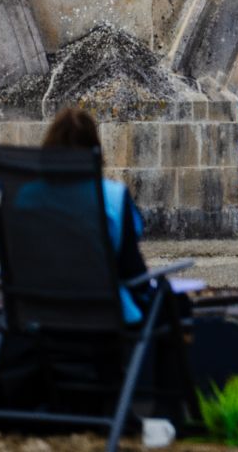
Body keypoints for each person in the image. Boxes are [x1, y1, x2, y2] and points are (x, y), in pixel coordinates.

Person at [42, 107, 152, 324]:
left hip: (39, 314)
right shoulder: (112, 196)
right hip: (104, 318)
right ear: (95, 151)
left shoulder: (26, 196)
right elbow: (133, 270)